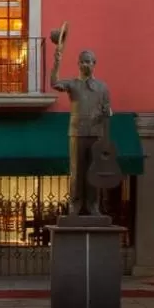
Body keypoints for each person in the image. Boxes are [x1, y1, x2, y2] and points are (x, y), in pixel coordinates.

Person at [50, 27, 112, 216]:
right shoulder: (72, 84)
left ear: (94, 64)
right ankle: (75, 205)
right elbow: (54, 83)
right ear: (78, 64)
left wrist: (107, 113)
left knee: (94, 172)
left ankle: (93, 205)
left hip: (95, 132)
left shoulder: (102, 87)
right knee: (76, 171)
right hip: (76, 132)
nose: (86, 64)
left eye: (89, 61)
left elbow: (106, 110)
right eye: (83, 61)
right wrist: (57, 62)